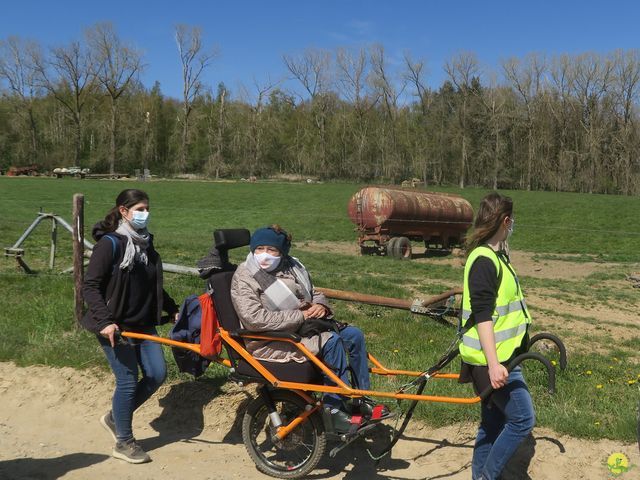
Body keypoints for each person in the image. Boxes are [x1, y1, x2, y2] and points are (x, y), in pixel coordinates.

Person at [230, 225, 388, 433]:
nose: (264, 255)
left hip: (301, 330)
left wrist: (320, 306)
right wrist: (302, 315)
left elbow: (313, 292)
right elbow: (254, 320)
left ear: (282, 253)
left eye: (272, 250)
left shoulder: (293, 266)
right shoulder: (245, 276)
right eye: (260, 249)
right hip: (271, 340)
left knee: (354, 335)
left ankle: (359, 399)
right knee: (331, 341)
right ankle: (334, 409)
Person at [82, 189, 179, 464]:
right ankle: (124, 442)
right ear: (123, 212)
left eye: (147, 208)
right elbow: (90, 287)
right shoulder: (110, 244)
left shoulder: (147, 244)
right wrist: (105, 322)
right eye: (139, 208)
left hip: (143, 323)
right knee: (126, 381)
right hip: (114, 325)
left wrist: (171, 308)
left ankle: (115, 417)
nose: (144, 213)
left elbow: (151, 284)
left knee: (157, 374)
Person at [458, 192, 535, 480]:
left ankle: (480, 476)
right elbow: (483, 316)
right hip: (493, 362)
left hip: (505, 357)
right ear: (505, 221)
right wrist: (493, 365)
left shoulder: (497, 256)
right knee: (523, 418)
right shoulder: (484, 260)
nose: (513, 225)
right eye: (511, 221)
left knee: (492, 423)